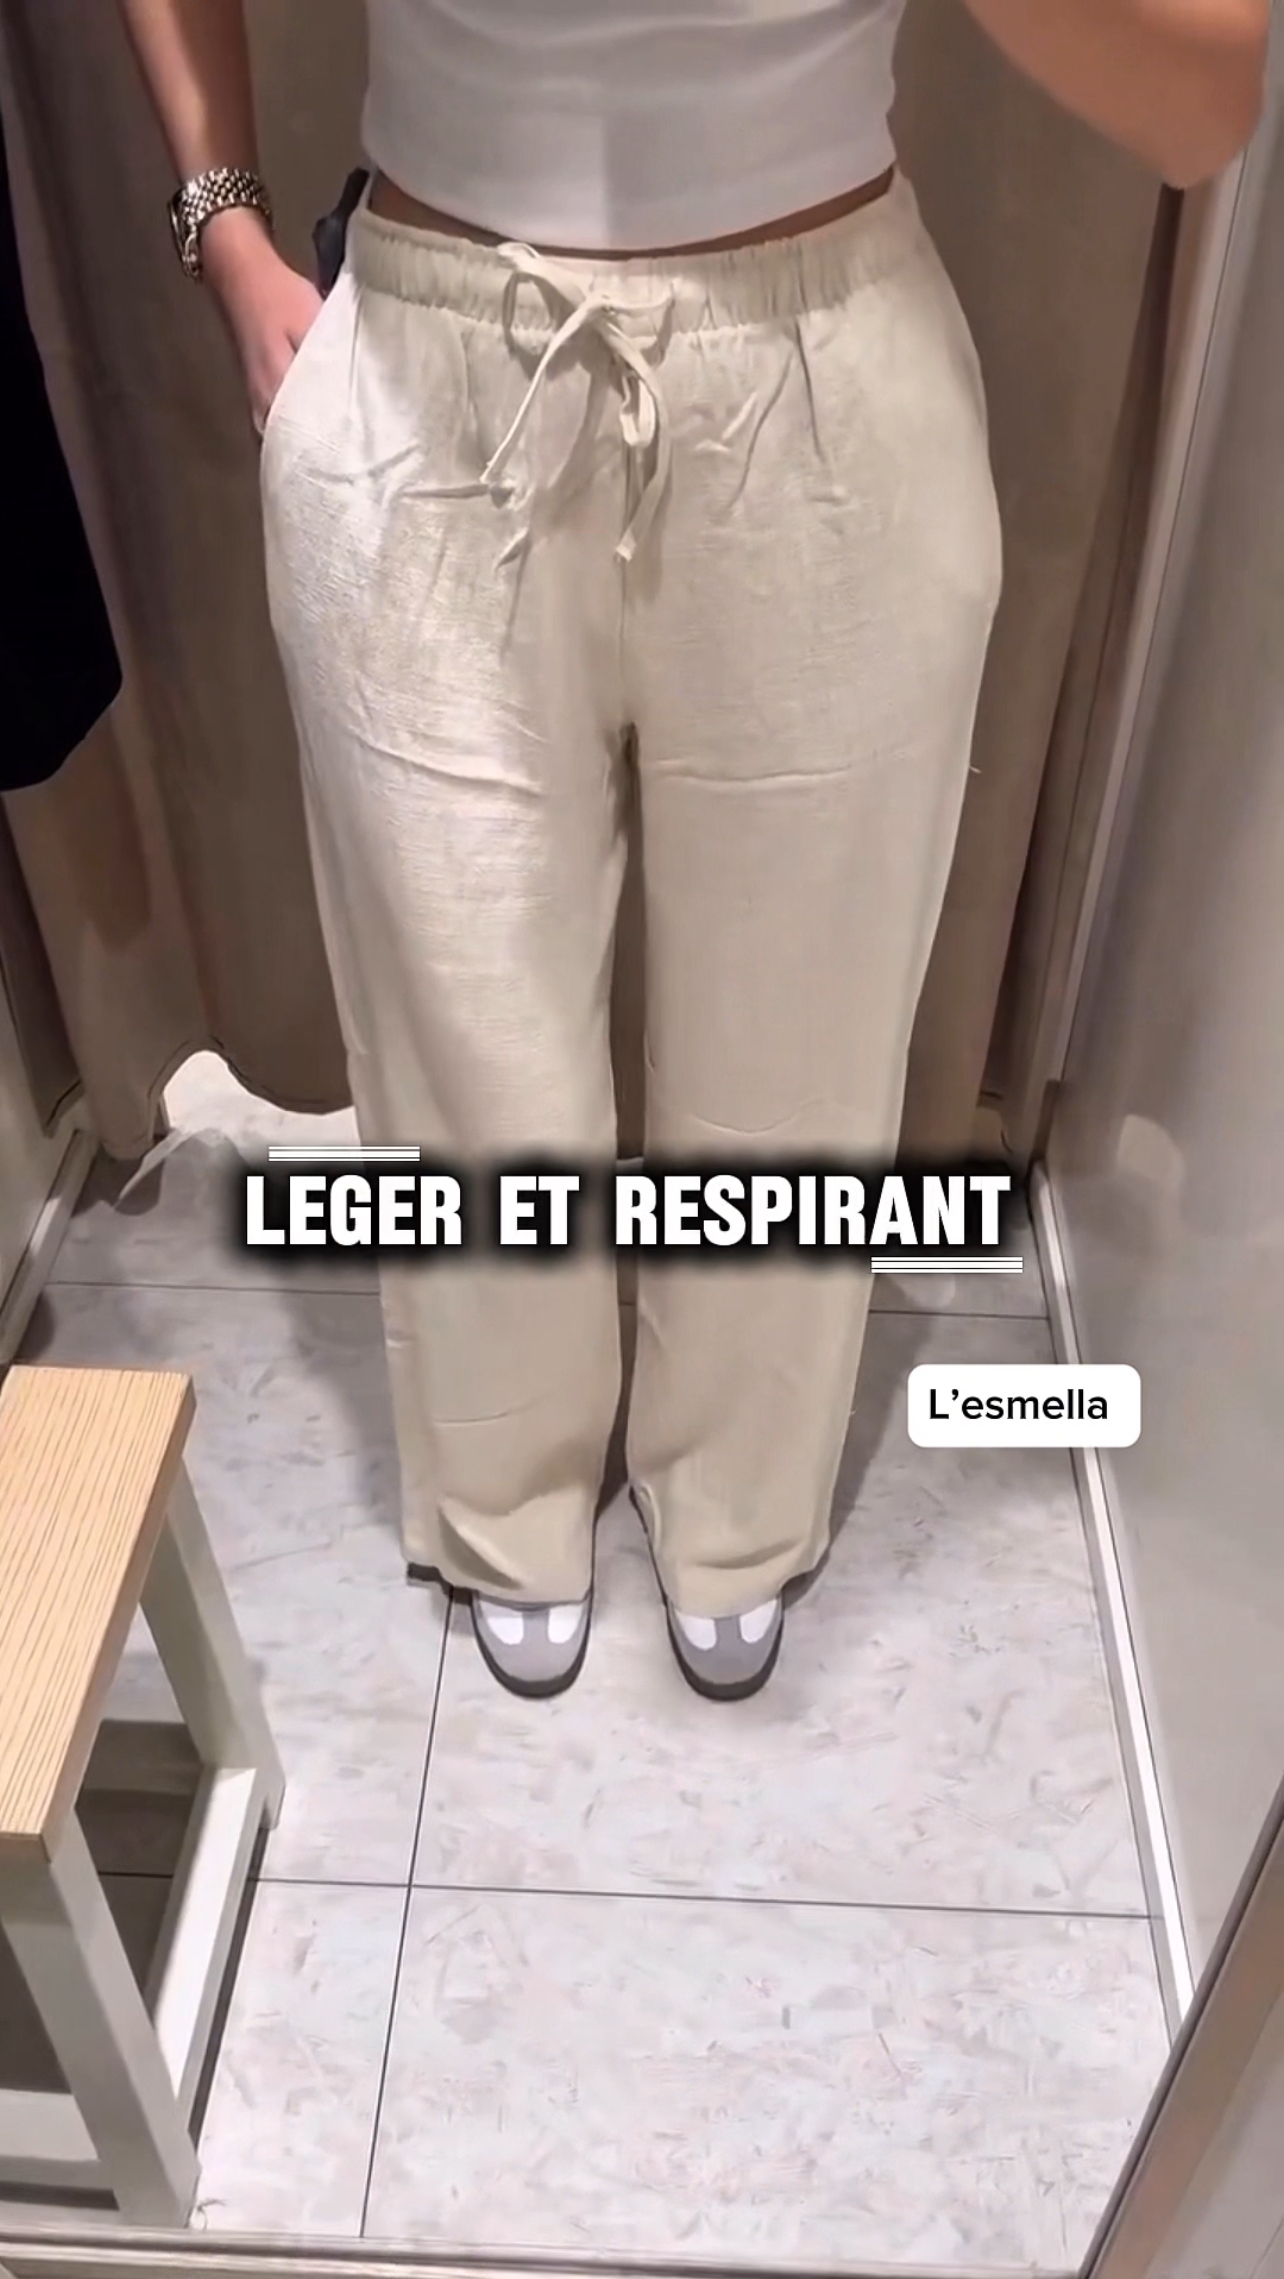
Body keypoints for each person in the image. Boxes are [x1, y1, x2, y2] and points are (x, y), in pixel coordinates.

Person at [119, 0, 1267, 1704]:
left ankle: (737, 1499)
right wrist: (223, 227)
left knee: (801, 1037)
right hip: (429, 364)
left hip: (822, 372)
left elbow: (1205, 97)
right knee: (464, 1035)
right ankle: (507, 1487)